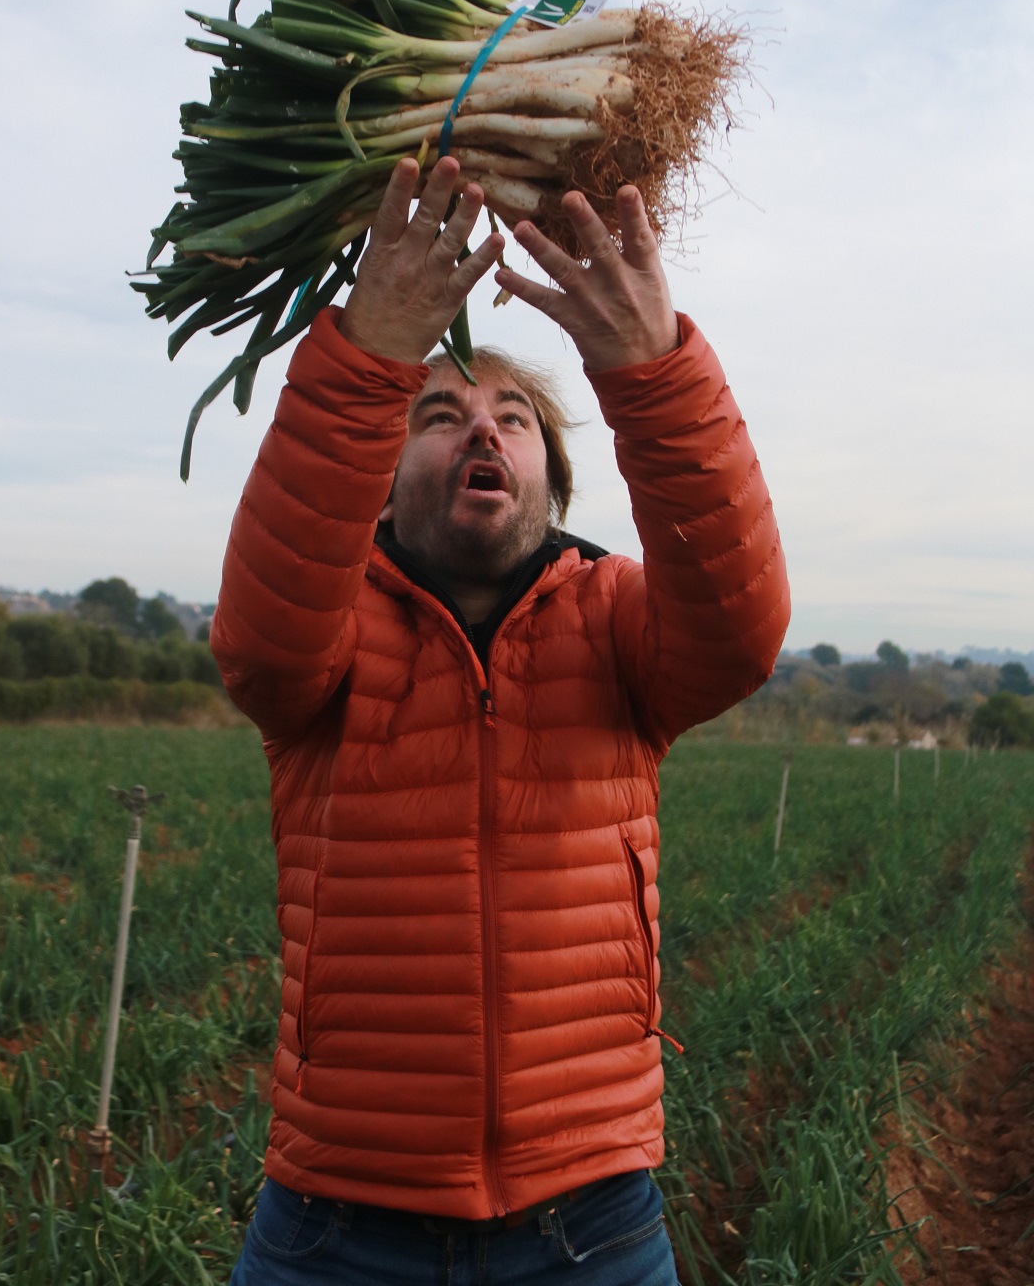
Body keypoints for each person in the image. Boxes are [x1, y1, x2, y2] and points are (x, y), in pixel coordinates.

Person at [212, 155, 790, 1285]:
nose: (481, 431)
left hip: (591, 1222)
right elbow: (261, 643)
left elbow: (739, 633)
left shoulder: (621, 623)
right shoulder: (328, 643)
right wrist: (368, 355)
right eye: (438, 414)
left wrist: (651, 370)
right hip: (338, 1218)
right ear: (378, 477)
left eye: (512, 418)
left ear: (553, 481)